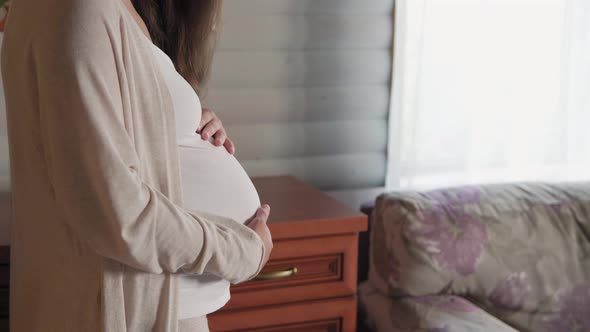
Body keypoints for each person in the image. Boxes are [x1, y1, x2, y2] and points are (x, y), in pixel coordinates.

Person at [1, 0, 273, 331]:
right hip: (135, 310)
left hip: (164, 297)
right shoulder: (79, 7)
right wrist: (243, 252)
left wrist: (178, 120)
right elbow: (115, 215)